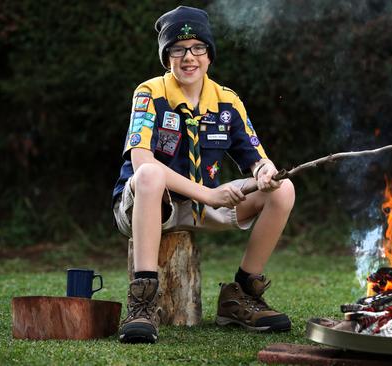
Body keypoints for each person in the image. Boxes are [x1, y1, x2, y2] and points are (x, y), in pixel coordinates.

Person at [112, 5, 295, 344]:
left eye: (198, 48)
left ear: (209, 55)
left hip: (201, 209)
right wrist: (209, 193)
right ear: (166, 57)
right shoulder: (150, 93)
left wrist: (264, 169)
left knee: (283, 189)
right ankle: (142, 301)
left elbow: (255, 158)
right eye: (178, 50)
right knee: (151, 175)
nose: (188, 57)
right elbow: (141, 162)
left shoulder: (227, 101)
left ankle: (241, 293)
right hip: (149, 205)